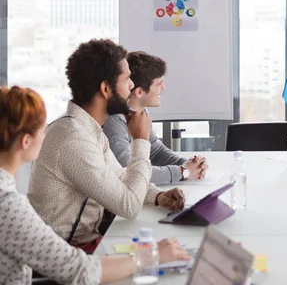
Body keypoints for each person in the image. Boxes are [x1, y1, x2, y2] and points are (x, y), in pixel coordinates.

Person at [0, 85, 190, 284]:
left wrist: (157, 196)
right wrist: (152, 255)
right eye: (41, 129)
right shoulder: (8, 204)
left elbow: (118, 176)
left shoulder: (89, 131)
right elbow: (79, 270)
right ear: (26, 141)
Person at [28, 39, 185, 253]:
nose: (132, 85)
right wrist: (140, 139)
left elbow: (119, 177)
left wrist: (158, 196)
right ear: (105, 88)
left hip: (84, 246)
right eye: (127, 79)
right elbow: (128, 205)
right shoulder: (73, 138)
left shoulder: (86, 128)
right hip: (65, 257)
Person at [103, 51, 208, 185]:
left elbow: (156, 152)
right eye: (159, 84)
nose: (163, 88)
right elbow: (131, 173)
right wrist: (182, 172)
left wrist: (188, 164)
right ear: (139, 92)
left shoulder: (139, 112)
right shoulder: (114, 121)